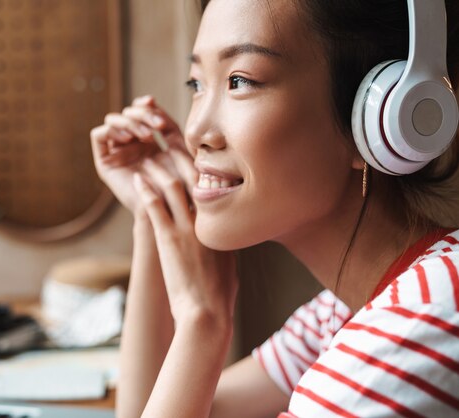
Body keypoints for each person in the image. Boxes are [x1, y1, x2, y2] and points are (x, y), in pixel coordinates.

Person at [90, 0, 459, 416]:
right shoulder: (340, 313)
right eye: (197, 85)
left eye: (239, 81)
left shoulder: (417, 325)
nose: (195, 132)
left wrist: (203, 320)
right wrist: (151, 208)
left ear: (379, 117)